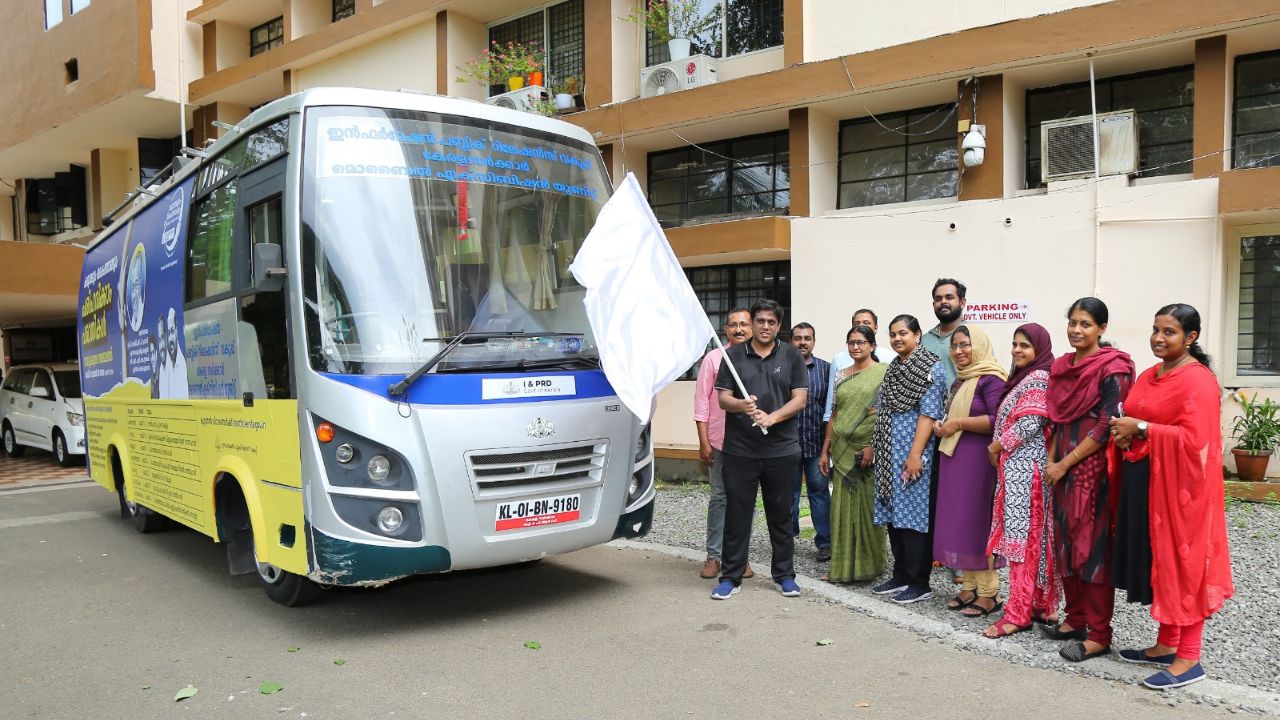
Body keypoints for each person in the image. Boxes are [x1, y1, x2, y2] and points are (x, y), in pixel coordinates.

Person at [1108, 304, 1234, 689]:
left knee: (1183, 562)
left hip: (1180, 490)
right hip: (1143, 478)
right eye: (1155, 330)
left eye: (1170, 332)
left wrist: (1142, 427)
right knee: (1157, 560)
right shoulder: (1150, 374)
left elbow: (1196, 441)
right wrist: (1128, 433)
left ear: (1191, 337)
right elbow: (1136, 416)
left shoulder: (1198, 381)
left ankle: (1190, 658)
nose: (1159, 338)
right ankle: (1167, 643)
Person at [1042, 297, 1134, 662]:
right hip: (1060, 464)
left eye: (1086, 324)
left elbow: (1107, 425)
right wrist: (1052, 462)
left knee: (1091, 549)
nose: (1077, 330)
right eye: (1073, 323)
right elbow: (1056, 418)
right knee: (1064, 542)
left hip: (1091, 469)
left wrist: (1065, 464)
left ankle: (1099, 634)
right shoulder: (1062, 366)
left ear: (1102, 329)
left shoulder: (1114, 369)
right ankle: (1075, 617)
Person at [711, 299, 809, 600]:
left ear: (778, 326)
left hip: (781, 449)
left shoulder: (792, 355)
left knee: (780, 515)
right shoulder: (734, 356)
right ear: (752, 323)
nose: (765, 326)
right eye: (760, 321)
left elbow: (800, 398)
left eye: (771, 322)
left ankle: (784, 576)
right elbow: (723, 399)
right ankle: (731, 576)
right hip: (740, 450)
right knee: (737, 514)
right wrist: (742, 405)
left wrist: (772, 417)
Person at [983, 323, 1061, 638]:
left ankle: (1018, 613)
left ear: (1039, 349)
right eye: (1015, 344)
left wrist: (997, 445)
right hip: (1020, 470)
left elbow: (1030, 421)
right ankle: (1040, 605)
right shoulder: (1026, 377)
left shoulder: (1039, 378)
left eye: (1025, 345)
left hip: (1025, 473)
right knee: (1035, 542)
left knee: (1022, 544)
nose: (1017, 350)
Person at [869, 315, 949, 604]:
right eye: (893, 334)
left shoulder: (930, 367)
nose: (897, 339)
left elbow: (929, 414)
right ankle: (901, 574)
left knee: (915, 518)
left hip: (915, 455)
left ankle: (919, 581)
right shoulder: (895, 367)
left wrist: (915, 454)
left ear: (917, 335)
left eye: (903, 333)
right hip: (891, 453)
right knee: (894, 515)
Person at [933, 325, 1007, 616]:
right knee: (960, 521)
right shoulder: (960, 381)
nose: (959, 351)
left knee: (977, 523)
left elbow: (998, 419)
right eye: (955, 346)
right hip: (955, 458)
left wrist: (958, 424)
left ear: (980, 345)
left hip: (978, 461)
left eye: (966, 345)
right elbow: (954, 415)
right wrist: (945, 425)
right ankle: (970, 586)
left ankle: (990, 593)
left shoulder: (992, 379)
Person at [819, 325, 888, 583]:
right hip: (842, 449)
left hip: (869, 450)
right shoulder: (840, 375)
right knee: (841, 508)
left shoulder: (882, 373)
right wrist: (825, 449)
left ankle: (869, 566)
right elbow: (834, 413)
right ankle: (843, 565)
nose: (856, 347)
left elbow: (884, 413)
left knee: (868, 507)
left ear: (872, 345)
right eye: (851, 342)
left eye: (861, 342)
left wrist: (873, 445)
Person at [693, 308, 754, 579]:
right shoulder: (714, 358)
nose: (738, 329)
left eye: (743, 324)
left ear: (752, 327)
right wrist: (703, 440)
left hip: (752, 443)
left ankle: (740, 559)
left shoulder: (759, 358)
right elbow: (702, 402)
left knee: (745, 501)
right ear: (725, 330)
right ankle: (714, 556)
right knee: (719, 498)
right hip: (720, 440)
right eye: (733, 325)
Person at [789, 322, 831, 560]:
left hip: (817, 445)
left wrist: (828, 444)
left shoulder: (825, 369)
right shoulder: (782, 367)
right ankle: (787, 538)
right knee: (788, 495)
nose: (802, 342)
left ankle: (825, 542)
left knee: (819, 493)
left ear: (814, 341)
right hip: (787, 445)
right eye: (797, 338)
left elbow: (830, 409)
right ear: (791, 341)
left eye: (807, 338)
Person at [823, 309, 880, 424]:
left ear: (876, 327)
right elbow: (832, 401)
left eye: (866, 323)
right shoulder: (839, 359)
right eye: (856, 324)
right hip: (842, 426)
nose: (861, 326)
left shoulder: (889, 358)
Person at [922, 279, 968, 386]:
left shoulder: (974, 336)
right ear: (933, 304)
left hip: (960, 402)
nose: (943, 302)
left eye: (949, 297)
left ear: (962, 302)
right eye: (938, 299)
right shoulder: (923, 340)